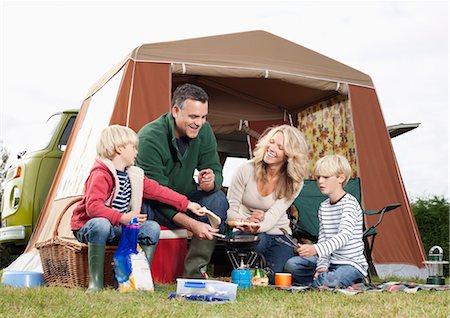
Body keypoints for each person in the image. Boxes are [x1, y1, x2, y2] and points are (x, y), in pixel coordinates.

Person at [71, 125, 204, 292]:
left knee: (151, 228)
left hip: (116, 227)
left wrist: (187, 204)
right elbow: (93, 208)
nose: (136, 152)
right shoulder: (101, 174)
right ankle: (95, 283)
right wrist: (121, 218)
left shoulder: (133, 175)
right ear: (119, 149)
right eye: (133, 147)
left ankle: (140, 280)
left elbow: (159, 191)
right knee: (101, 224)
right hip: (90, 227)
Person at [136, 83, 229, 278]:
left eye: (204, 117)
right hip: (154, 204)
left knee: (218, 199)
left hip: (188, 201)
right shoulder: (149, 137)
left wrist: (211, 182)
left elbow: (215, 169)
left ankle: (193, 275)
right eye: (194, 117)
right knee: (154, 201)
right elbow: (157, 193)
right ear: (176, 111)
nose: (199, 123)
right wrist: (192, 224)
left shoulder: (204, 130)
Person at [226, 125, 309, 282]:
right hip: (245, 230)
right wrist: (246, 222)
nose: (271, 148)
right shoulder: (245, 169)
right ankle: (248, 269)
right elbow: (230, 209)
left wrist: (258, 225)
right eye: (271, 142)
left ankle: (257, 269)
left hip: (278, 232)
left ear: (290, 155)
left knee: (276, 278)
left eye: (280, 147)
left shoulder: (294, 181)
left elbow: (274, 215)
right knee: (259, 240)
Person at [284, 154, 368, 287]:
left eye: (326, 177)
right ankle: (324, 280)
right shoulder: (324, 206)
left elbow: (344, 236)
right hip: (330, 262)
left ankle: (331, 281)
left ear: (341, 178)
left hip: (350, 264)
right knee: (292, 265)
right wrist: (322, 266)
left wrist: (315, 249)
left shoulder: (350, 204)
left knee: (330, 279)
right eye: (318, 177)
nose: (320, 182)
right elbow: (323, 238)